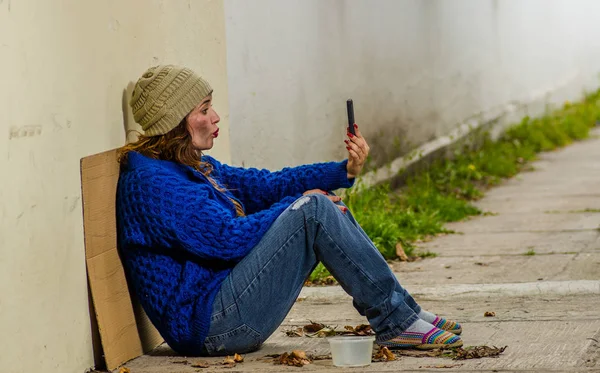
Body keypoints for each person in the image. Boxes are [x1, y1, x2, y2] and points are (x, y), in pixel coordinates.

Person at [116, 65, 463, 357]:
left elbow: (264, 185)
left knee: (317, 201)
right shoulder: (153, 185)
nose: (216, 116)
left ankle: (403, 312)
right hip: (212, 326)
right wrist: (303, 203)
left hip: (223, 305)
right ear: (175, 122)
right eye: (204, 109)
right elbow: (227, 239)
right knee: (312, 208)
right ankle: (396, 321)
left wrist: (342, 172)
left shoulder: (185, 165)